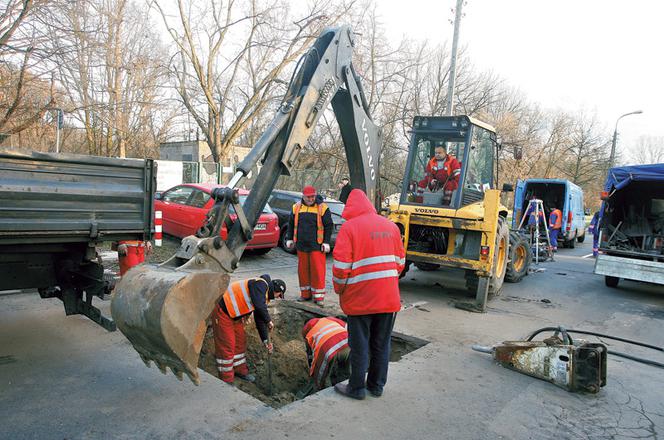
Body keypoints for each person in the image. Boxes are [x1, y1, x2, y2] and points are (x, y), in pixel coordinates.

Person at [332, 189, 405, 400]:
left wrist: (340, 289)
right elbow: (400, 263)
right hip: (388, 300)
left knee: (360, 345)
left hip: (360, 300)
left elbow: (341, 268)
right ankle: (376, 386)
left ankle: (356, 389)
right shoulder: (390, 226)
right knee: (381, 344)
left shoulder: (349, 228)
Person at [212, 275, 286, 384]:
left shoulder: (263, 297)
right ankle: (226, 380)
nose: (277, 298)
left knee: (240, 342)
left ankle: (239, 370)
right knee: (227, 345)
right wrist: (268, 320)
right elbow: (258, 305)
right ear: (276, 290)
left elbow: (259, 319)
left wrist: (265, 340)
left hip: (235, 315)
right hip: (223, 311)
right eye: (279, 295)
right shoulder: (261, 284)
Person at [285, 185, 333, 306]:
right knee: (303, 271)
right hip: (301, 245)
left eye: (313, 196)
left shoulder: (322, 208)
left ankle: (319, 297)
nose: (311, 199)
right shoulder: (296, 207)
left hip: (317, 245)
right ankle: (305, 294)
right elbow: (291, 224)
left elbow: (328, 226)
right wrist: (289, 238)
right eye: (308, 197)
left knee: (318, 271)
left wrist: (326, 242)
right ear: (303, 197)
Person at [302, 317, 350, 390]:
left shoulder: (307, 327)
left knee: (322, 377)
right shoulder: (330, 319)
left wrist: (313, 371)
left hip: (328, 348)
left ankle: (323, 389)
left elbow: (310, 352)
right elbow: (347, 326)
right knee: (347, 373)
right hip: (349, 344)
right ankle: (347, 387)